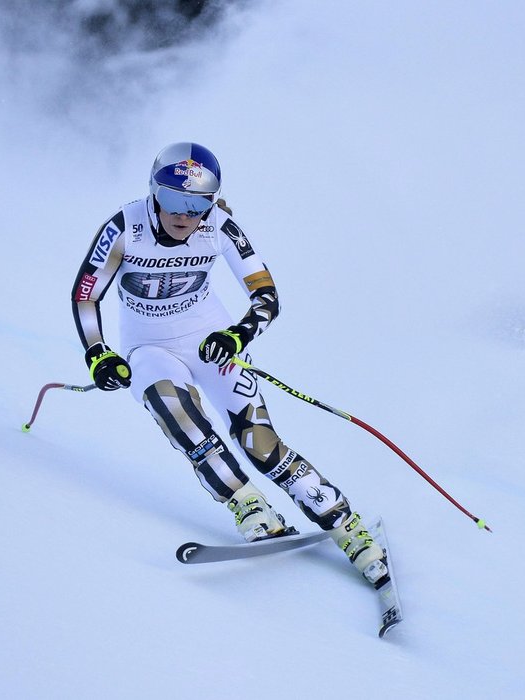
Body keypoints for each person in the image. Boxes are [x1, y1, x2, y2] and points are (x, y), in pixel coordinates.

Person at [71, 142, 388, 587]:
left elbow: (265, 295)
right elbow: (86, 294)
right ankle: (247, 503)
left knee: (259, 441)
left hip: (209, 340)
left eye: (197, 203)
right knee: (177, 414)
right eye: (172, 200)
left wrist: (237, 333)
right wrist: (97, 352)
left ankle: (346, 526)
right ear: (153, 193)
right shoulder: (124, 227)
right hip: (149, 346)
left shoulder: (218, 226)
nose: (184, 215)